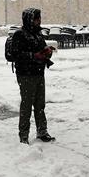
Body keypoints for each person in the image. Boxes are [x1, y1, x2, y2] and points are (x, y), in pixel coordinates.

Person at [11, 7, 55, 145]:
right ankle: (23, 135)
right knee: (27, 105)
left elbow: (40, 50)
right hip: (25, 74)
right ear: (29, 19)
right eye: (36, 18)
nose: (39, 21)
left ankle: (42, 131)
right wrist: (33, 55)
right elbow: (15, 54)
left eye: (39, 18)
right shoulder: (20, 35)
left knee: (40, 104)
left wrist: (47, 52)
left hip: (38, 73)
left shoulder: (38, 34)